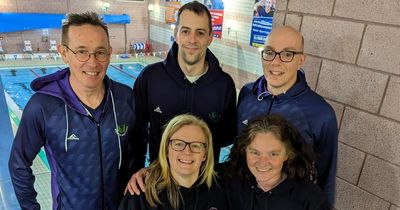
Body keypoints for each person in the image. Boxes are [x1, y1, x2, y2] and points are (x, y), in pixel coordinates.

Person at [8, 12, 135, 210]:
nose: (92, 62)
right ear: (64, 53)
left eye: (100, 52)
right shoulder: (43, 106)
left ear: (109, 53)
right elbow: (19, 163)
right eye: (82, 52)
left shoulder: (125, 98)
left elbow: (135, 151)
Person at [237, 25, 338, 206]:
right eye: (269, 52)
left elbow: (326, 178)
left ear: (300, 60)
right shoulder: (247, 95)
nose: (276, 62)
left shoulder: (320, 113)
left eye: (287, 54)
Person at [131, 1, 236, 171]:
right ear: (176, 34)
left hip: (204, 186)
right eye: (186, 31)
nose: (192, 40)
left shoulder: (224, 85)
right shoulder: (150, 78)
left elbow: (226, 137)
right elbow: (135, 134)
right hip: (160, 179)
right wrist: (137, 170)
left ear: (210, 38)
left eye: (200, 33)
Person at [119, 114, 227, 210]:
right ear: (166, 150)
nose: (187, 152)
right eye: (178, 144)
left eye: (196, 145)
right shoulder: (140, 194)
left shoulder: (221, 192)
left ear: (205, 154)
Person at [222, 114, 330, 210]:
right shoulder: (231, 183)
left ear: (288, 154)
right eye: (255, 152)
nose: (262, 162)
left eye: (273, 154)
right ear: (244, 151)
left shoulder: (311, 200)